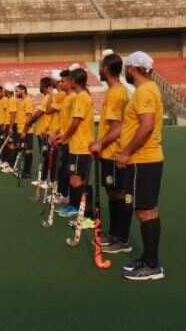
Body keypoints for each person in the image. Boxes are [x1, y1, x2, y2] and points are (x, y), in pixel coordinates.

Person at [117, 51, 165, 281]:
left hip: (143, 159)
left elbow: (145, 126)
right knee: (146, 209)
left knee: (145, 211)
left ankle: (152, 265)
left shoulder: (145, 91)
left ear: (133, 69)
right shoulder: (146, 90)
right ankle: (148, 258)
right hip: (146, 159)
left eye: (127, 67)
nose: (125, 71)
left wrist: (126, 151)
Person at [89, 51, 131, 254]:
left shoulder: (116, 93)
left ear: (106, 69)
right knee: (113, 193)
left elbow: (118, 127)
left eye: (101, 66)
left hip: (114, 152)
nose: (99, 70)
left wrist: (100, 143)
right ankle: (114, 235)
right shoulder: (114, 91)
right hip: (108, 152)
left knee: (119, 194)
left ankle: (121, 239)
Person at [52, 68, 94, 228]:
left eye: (67, 79)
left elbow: (76, 122)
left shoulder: (81, 97)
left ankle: (85, 213)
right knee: (75, 179)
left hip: (81, 145)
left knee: (77, 180)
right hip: (76, 145)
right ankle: (77, 208)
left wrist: (64, 137)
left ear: (74, 81)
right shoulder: (80, 97)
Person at [15, 84, 34, 179]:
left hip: (26, 131)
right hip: (20, 130)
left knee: (28, 151)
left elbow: (29, 117)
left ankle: (27, 172)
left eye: (17, 91)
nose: (15, 93)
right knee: (23, 150)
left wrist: (24, 131)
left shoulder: (28, 101)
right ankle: (23, 170)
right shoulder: (21, 101)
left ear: (23, 90)